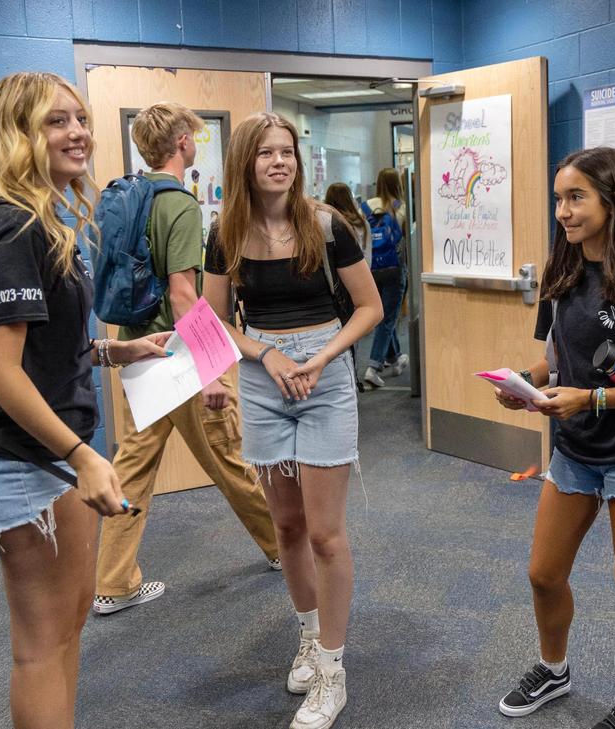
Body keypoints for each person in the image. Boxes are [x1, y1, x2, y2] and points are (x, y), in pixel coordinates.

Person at [0, 71, 171, 729]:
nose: (78, 132)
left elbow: (40, 349)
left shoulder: (42, 220)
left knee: (66, 626)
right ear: (18, 135)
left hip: (50, 452)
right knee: (42, 646)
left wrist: (116, 351)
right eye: (54, 121)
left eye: (79, 118)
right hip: (24, 459)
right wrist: (84, 455)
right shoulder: (12, 225)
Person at [494, 147, 615, 729]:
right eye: (559, 198)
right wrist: (523, 383)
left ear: (612, 200)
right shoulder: (561, 270)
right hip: (577, 447)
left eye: (576, 197)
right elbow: (556, 356)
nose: (563, 210)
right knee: (543, 572)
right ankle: (554, 670)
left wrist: (594, 398)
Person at [202, 111, 382, 729]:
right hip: (262, 379)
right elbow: (211, 322)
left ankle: (332, 671)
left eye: (287, 152)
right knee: (286, 524)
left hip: (325, 377)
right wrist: (256, 359)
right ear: (245, 163)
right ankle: (309, 635)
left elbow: (370, 307)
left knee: (327, 533)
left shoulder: (327, 225)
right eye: (266, 153)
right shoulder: (224, 232)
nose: (280, 162)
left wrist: (323, 358)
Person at [93, 103, 280, 616]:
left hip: (137, 354)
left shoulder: (129, 196)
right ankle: (284, 549)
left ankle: (113, 582)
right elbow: (182, 294)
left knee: (130, 469)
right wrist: (212, 368)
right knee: (231, 458)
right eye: (193, 137)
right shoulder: (177, 204)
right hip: (178, 356)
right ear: (182, 143)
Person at [361, 167, 410, 388]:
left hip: (371, 269)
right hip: (394, 269)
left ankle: (395, 356)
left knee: (382, 315)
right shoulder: (400, 208)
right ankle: (373, 366)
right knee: (388, 317)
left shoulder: (366, 206)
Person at [324, 182, 371, 262]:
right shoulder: (360, 222)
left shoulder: (325, 223)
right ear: (349, 199)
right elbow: (367, 255)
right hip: (359, 270)